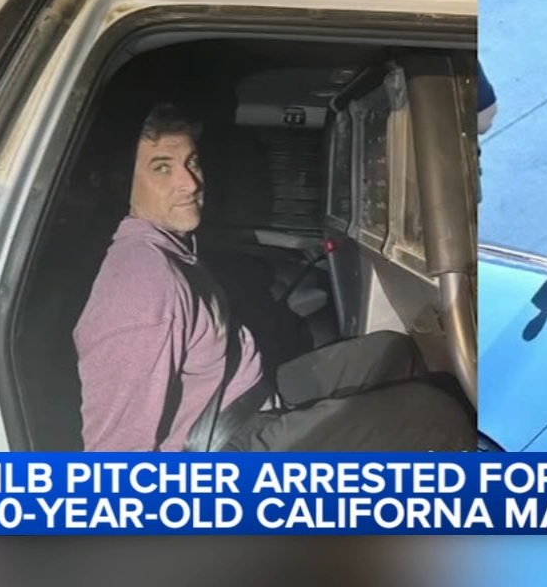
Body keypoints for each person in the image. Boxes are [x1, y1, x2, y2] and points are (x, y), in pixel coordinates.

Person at [73, 101, 473, 452]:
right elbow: (114, 457)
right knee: (436, 412)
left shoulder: (167, 247)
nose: (190, 183)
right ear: (120, 181)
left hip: (246, 399)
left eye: (191, 162)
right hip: (225, 450)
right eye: (161, 168)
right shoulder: (139, 286)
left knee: (390, 352)